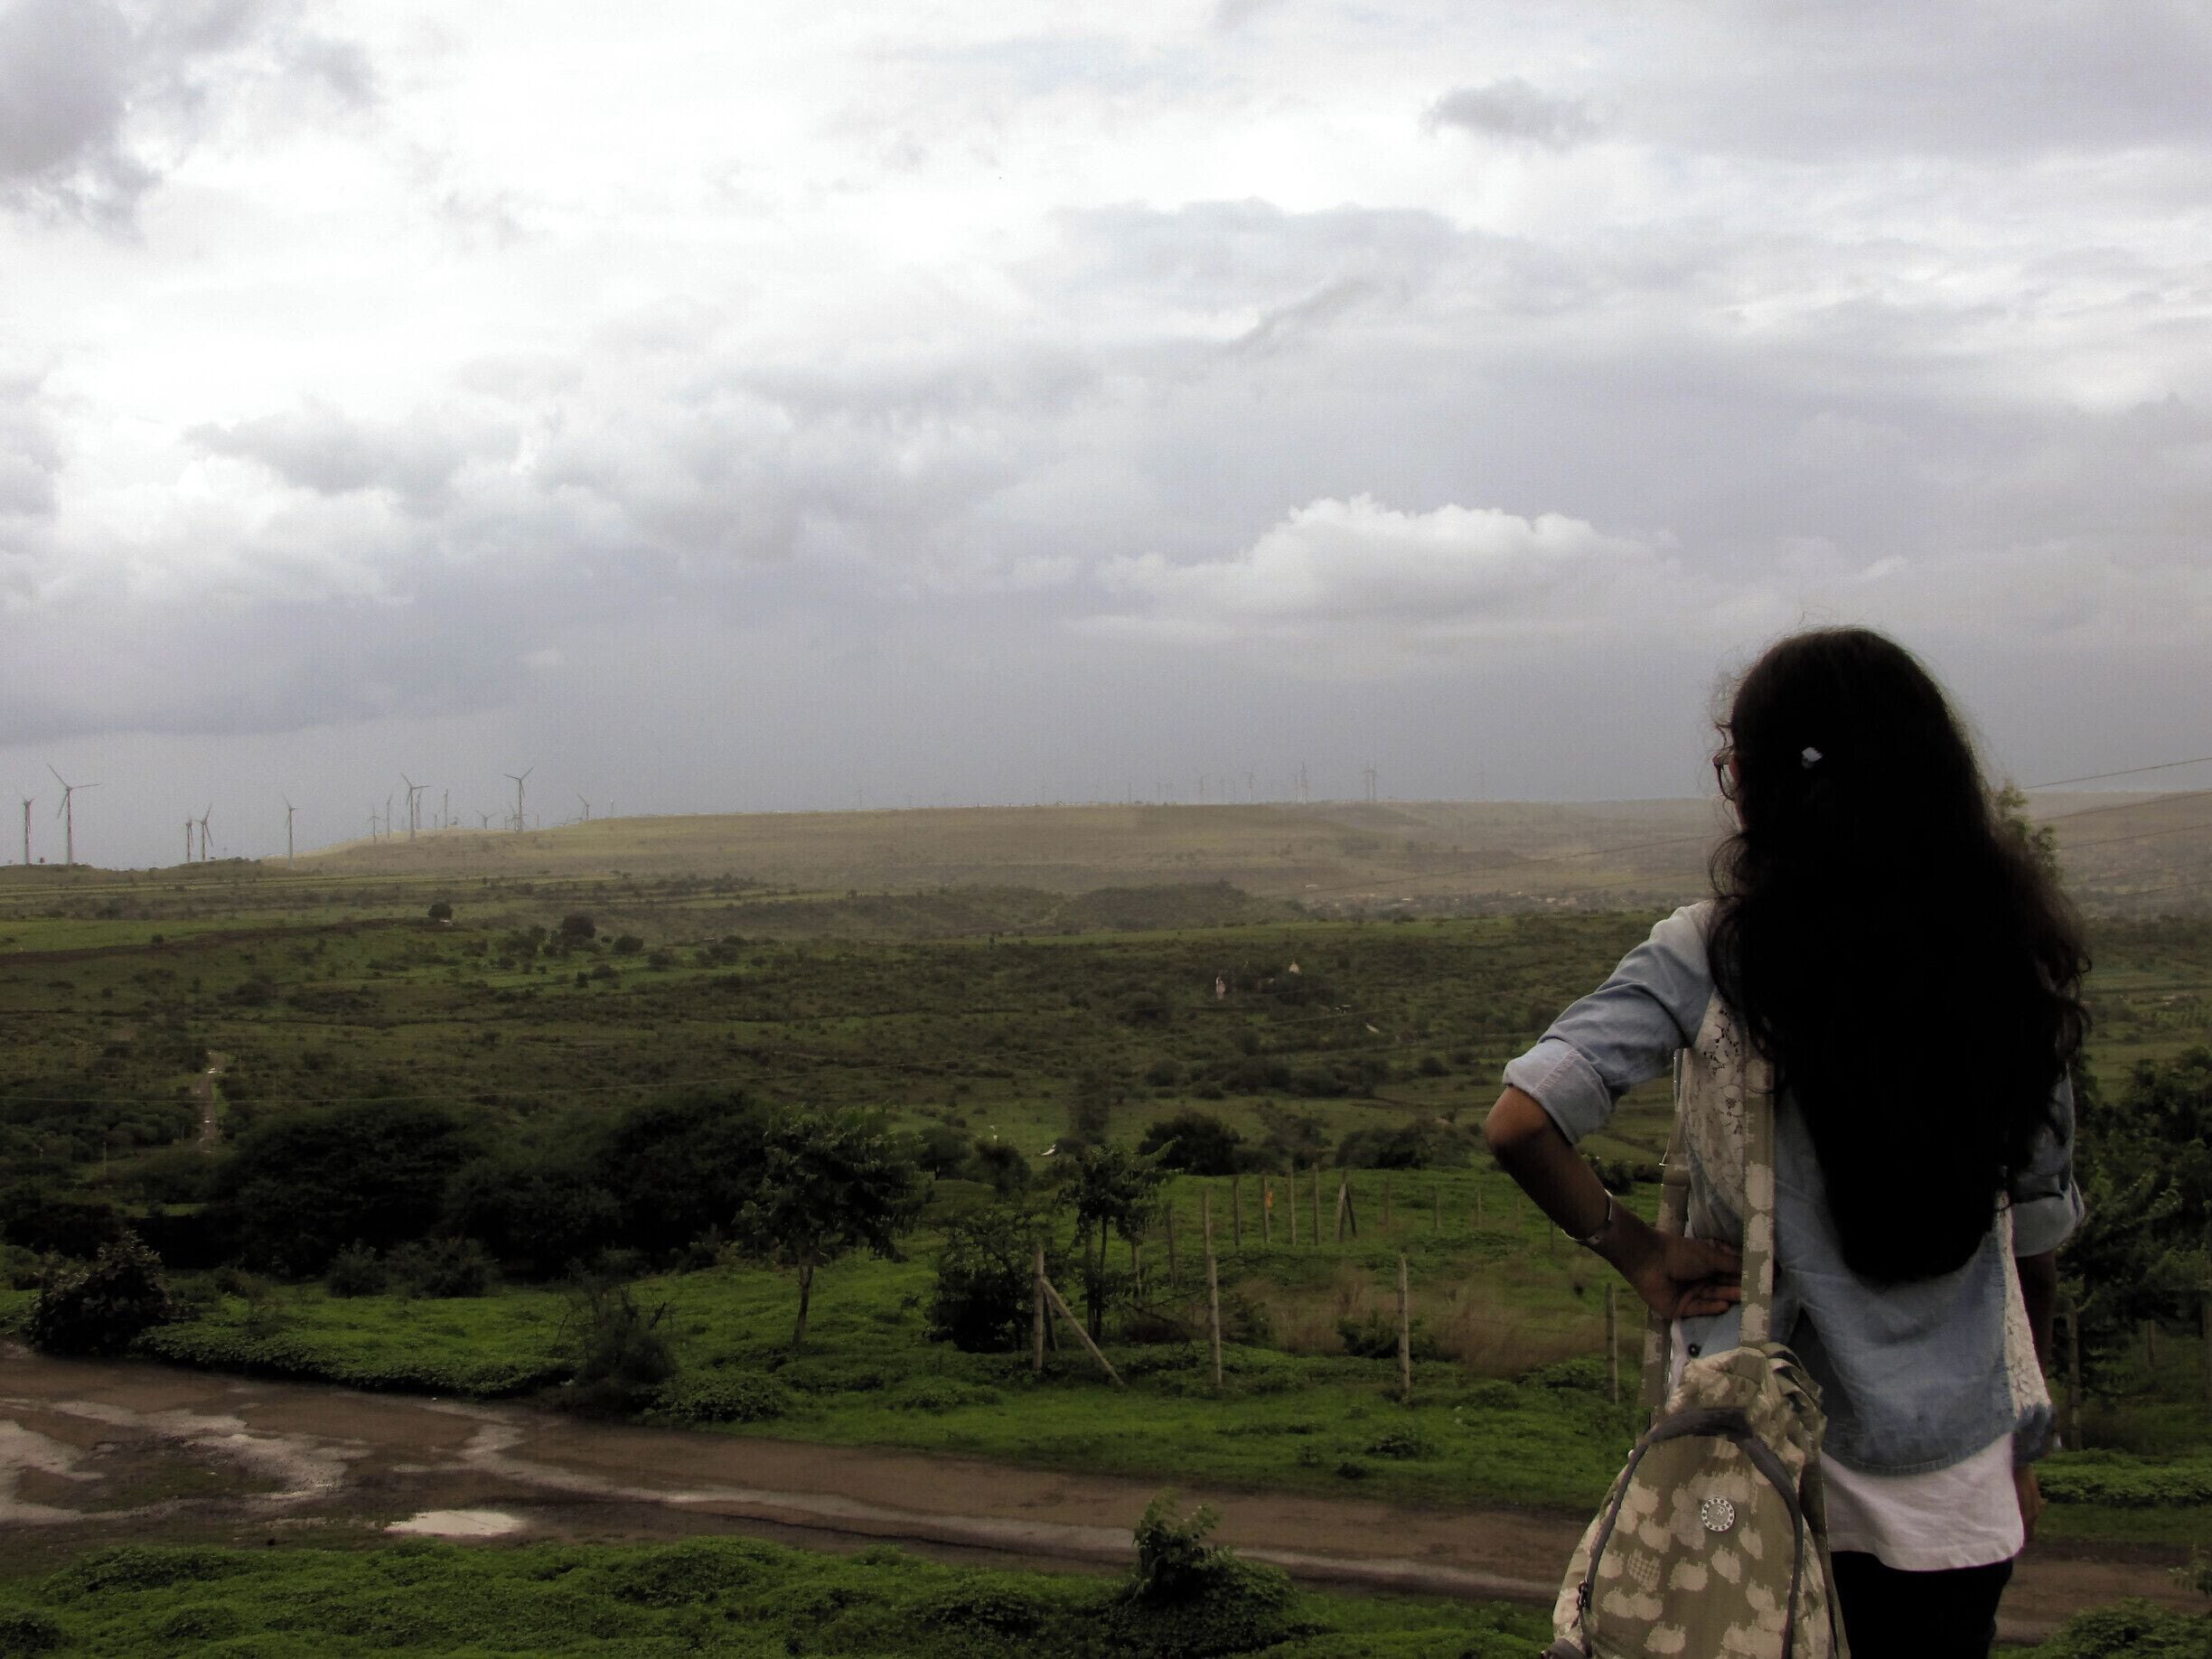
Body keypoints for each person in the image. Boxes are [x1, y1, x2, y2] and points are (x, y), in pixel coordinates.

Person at [1484, 627, 2085, 1658]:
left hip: (1745, 1471)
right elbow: (2030, 1243)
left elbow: (1521, 1122)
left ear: (1761, 786)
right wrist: (2017, 1445)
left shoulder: (1713, 952)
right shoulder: (2009, 963)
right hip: (1955, 1487)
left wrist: (1638, 1254)